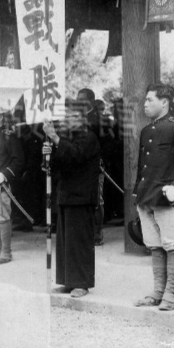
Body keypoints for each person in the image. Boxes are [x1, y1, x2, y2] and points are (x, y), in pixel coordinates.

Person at [133, 84, 174, 311]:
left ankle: (171, 293)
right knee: (154, 246)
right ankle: (158, 292)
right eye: (145, 100)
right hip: (146, 197)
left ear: (164, 102)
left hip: (168, 198)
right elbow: (143, 166)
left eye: (150, 100)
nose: (145, 104)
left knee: (173, 246)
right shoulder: (146, 130)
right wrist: (137, 192)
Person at [43, 102, 101, 298]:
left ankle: (82, 283)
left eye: (74, 117)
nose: (69, 121)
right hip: (66, 195)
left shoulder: (89, 138)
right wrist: (48, 155)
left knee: (79, 242)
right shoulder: (67, 139)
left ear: (83, 120)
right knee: (65, 243)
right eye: (68, 118)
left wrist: (56, 138)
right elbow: (58, 164)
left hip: (82, 196)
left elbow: (76, 155)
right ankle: (68, 281)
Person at [0, 112, 24, 264]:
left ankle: (6, 252)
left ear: (1, 118)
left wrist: (5, 174)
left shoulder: (8, 136)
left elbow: (19, 160)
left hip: (0, 185)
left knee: (2, 218)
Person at [77, 88, 105, 245]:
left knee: (97, 200)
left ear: (90, 101)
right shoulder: (76, 117)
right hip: (80, 164)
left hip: (95, 165)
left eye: (82, 99)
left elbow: (104, 144)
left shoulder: (98, 119)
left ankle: (97, 233)